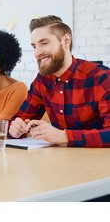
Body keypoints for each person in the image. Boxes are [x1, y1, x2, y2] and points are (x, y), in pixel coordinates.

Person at [9, 15, 110, 147]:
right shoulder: (42, 81)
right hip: (58, 161)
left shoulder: (102, 78)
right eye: (34, 46)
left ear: (66, 41)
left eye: (44, 43)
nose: (37, 53)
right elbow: (19, 120)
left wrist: (63, 136)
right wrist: (15, 129)